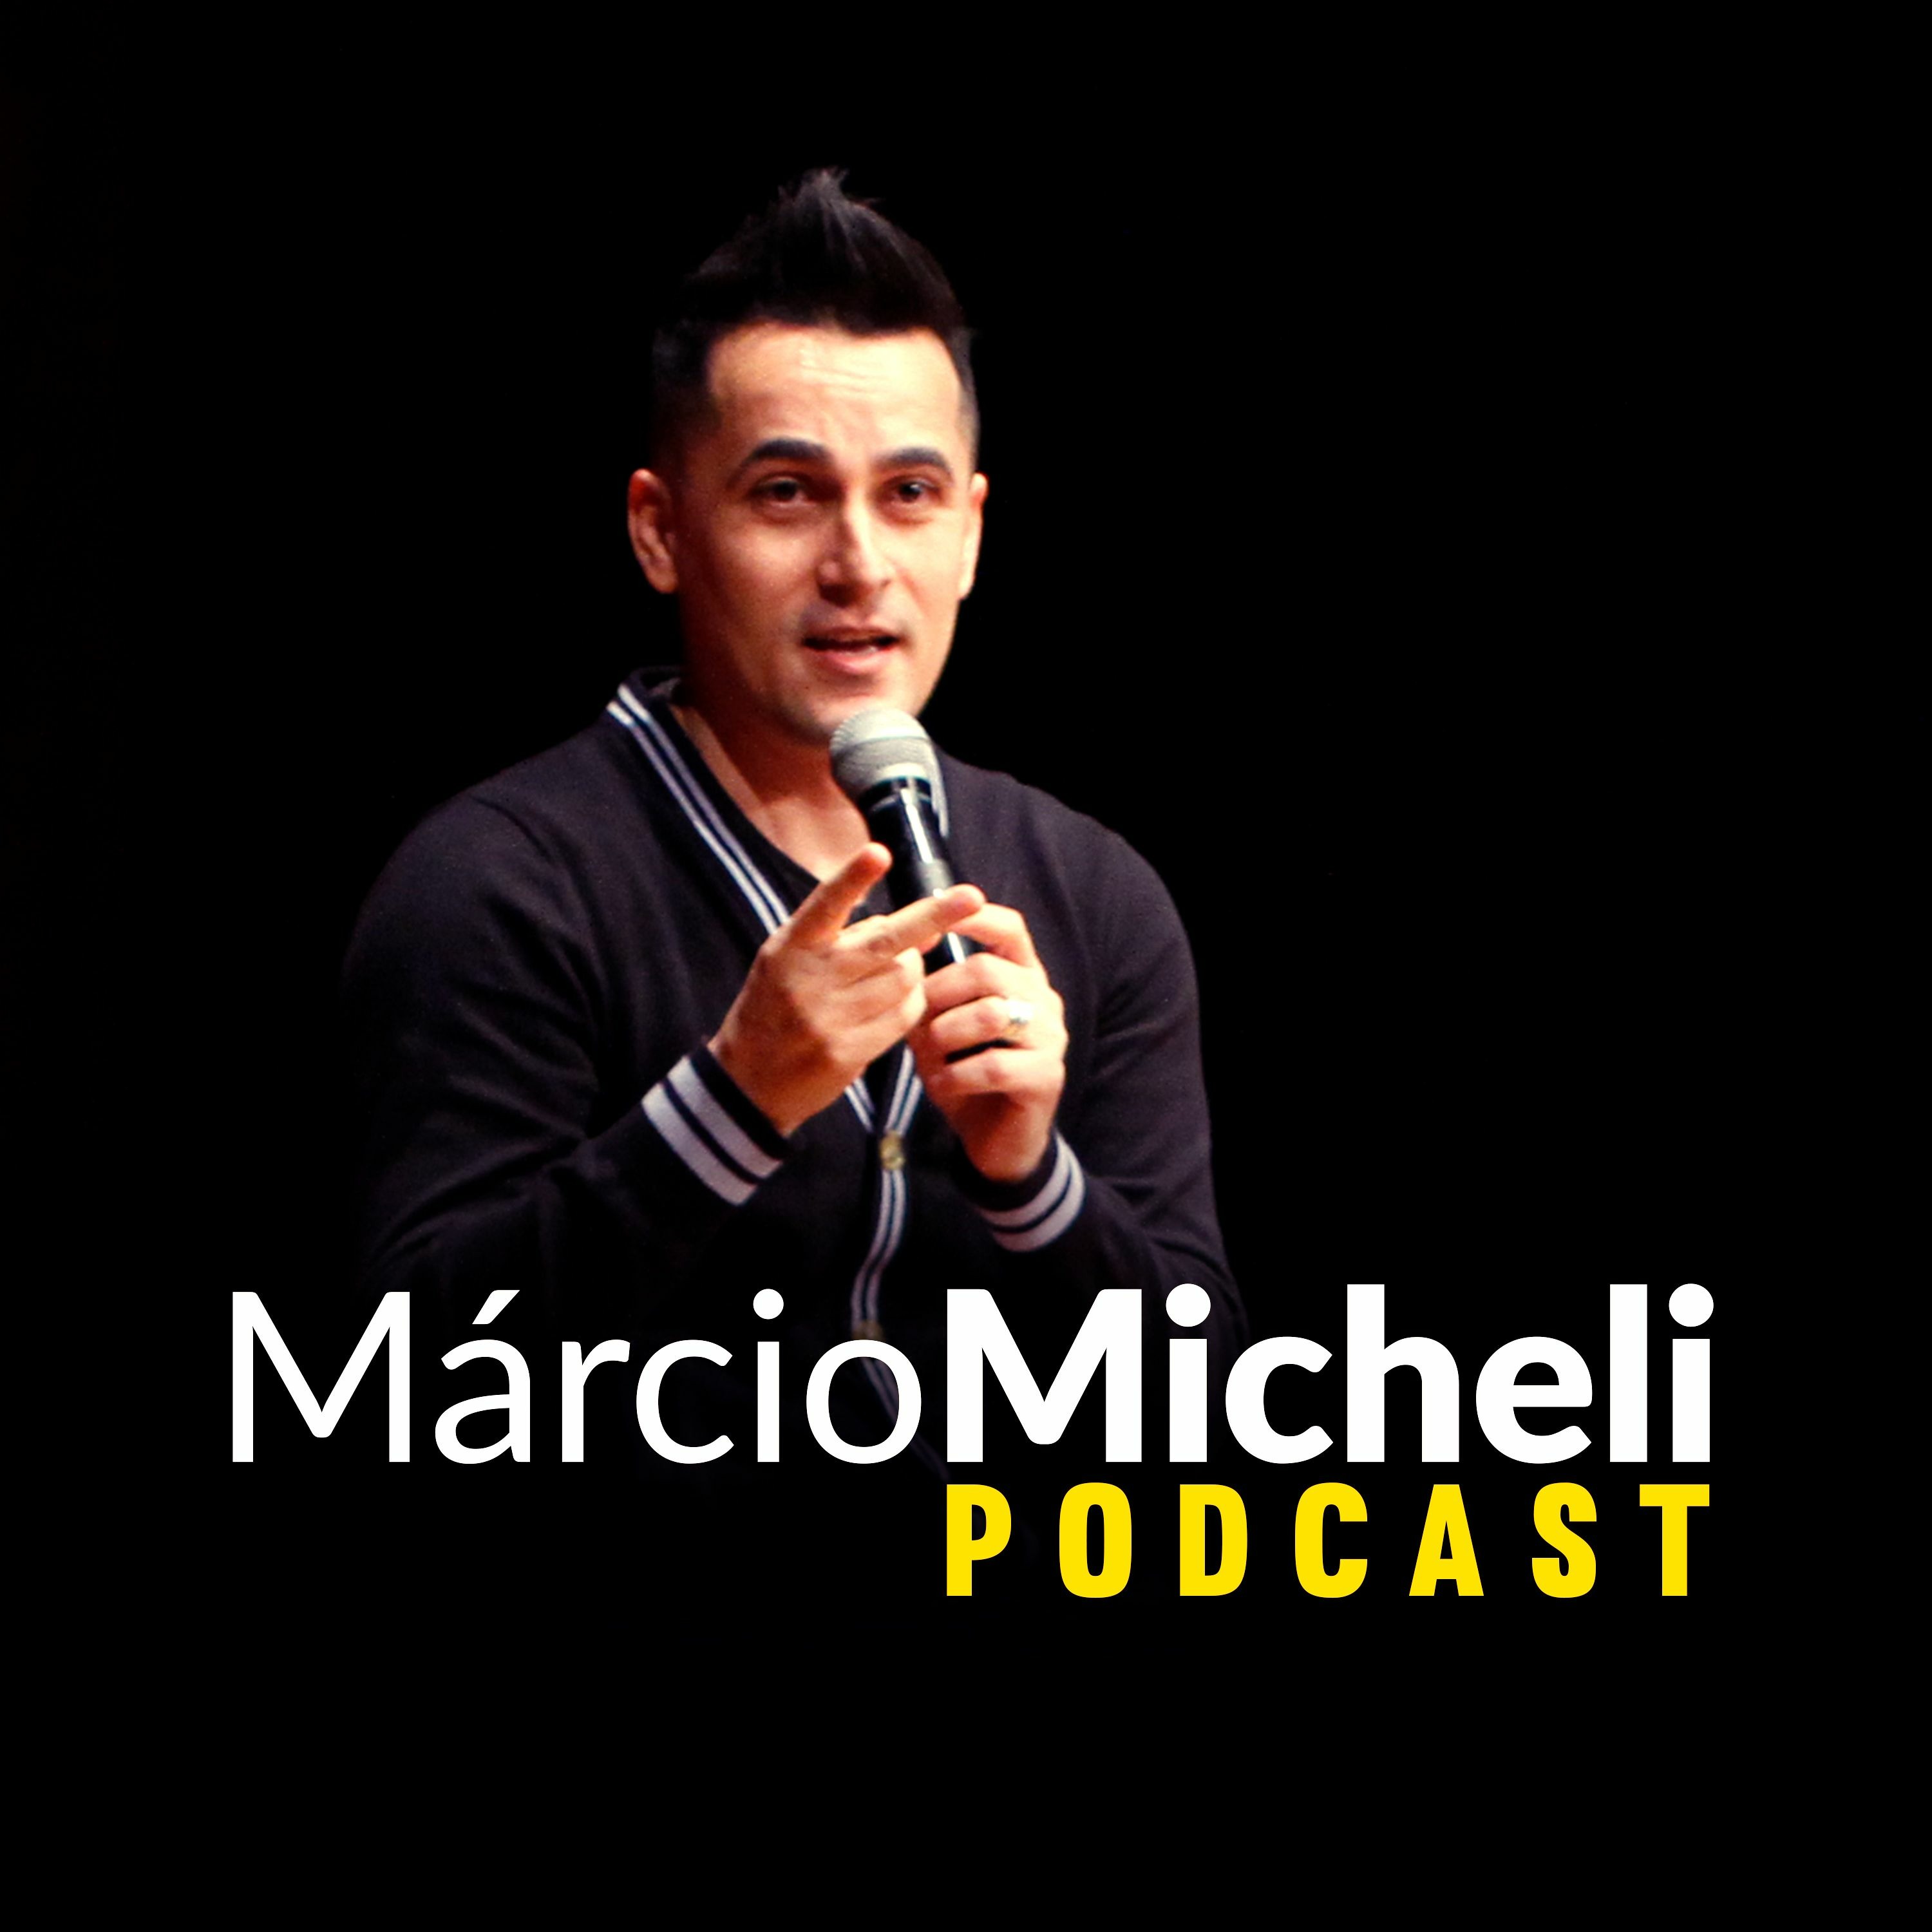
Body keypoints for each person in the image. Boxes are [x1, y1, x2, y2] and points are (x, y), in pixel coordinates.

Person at [341, 171, 1244, 1605]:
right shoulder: (499, 882)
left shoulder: (1093, 893)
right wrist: (733, 1100)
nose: (857, 565)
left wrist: (1034, 1179)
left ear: (972, 532)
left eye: (909, 496)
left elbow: (1207, 1412)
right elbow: (402, 1394)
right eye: (786, 494)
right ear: (660, 530)